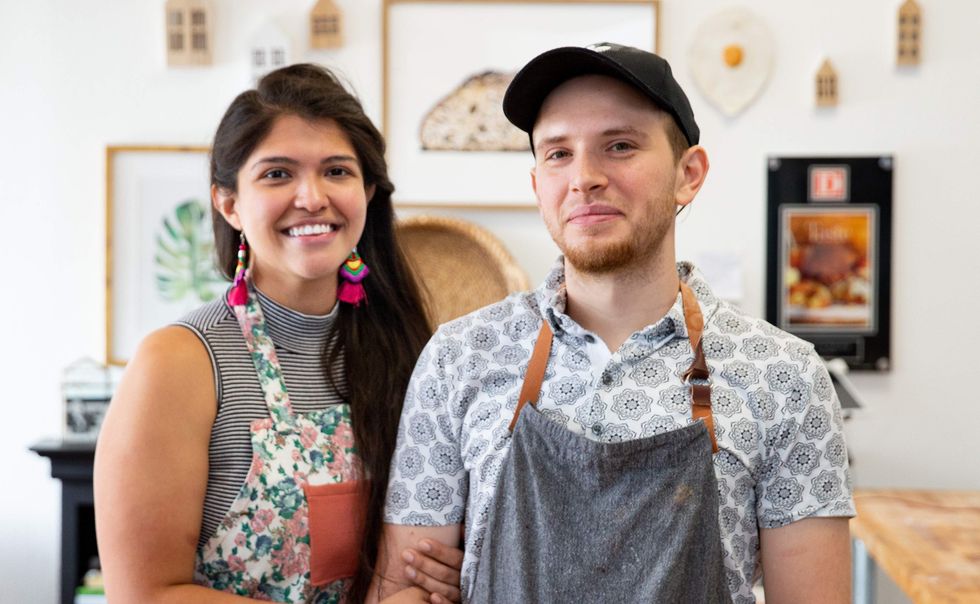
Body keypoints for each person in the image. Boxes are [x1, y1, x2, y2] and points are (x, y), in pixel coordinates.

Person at [371, 43, 855, 603]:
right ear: (537, 187)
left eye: (619, 146)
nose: (584, 178)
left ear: (688, 174)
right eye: (558, 154)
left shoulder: (783, 376)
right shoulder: (461, 357)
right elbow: (401, 590)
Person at [95, 64, 463, 603]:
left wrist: (444, 576)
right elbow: (144, 595)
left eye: (337, 171)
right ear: (229, 203)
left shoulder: (405, 349)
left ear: (368, 191)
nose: (312, 197)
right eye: (277, 174)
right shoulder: (178, 363)